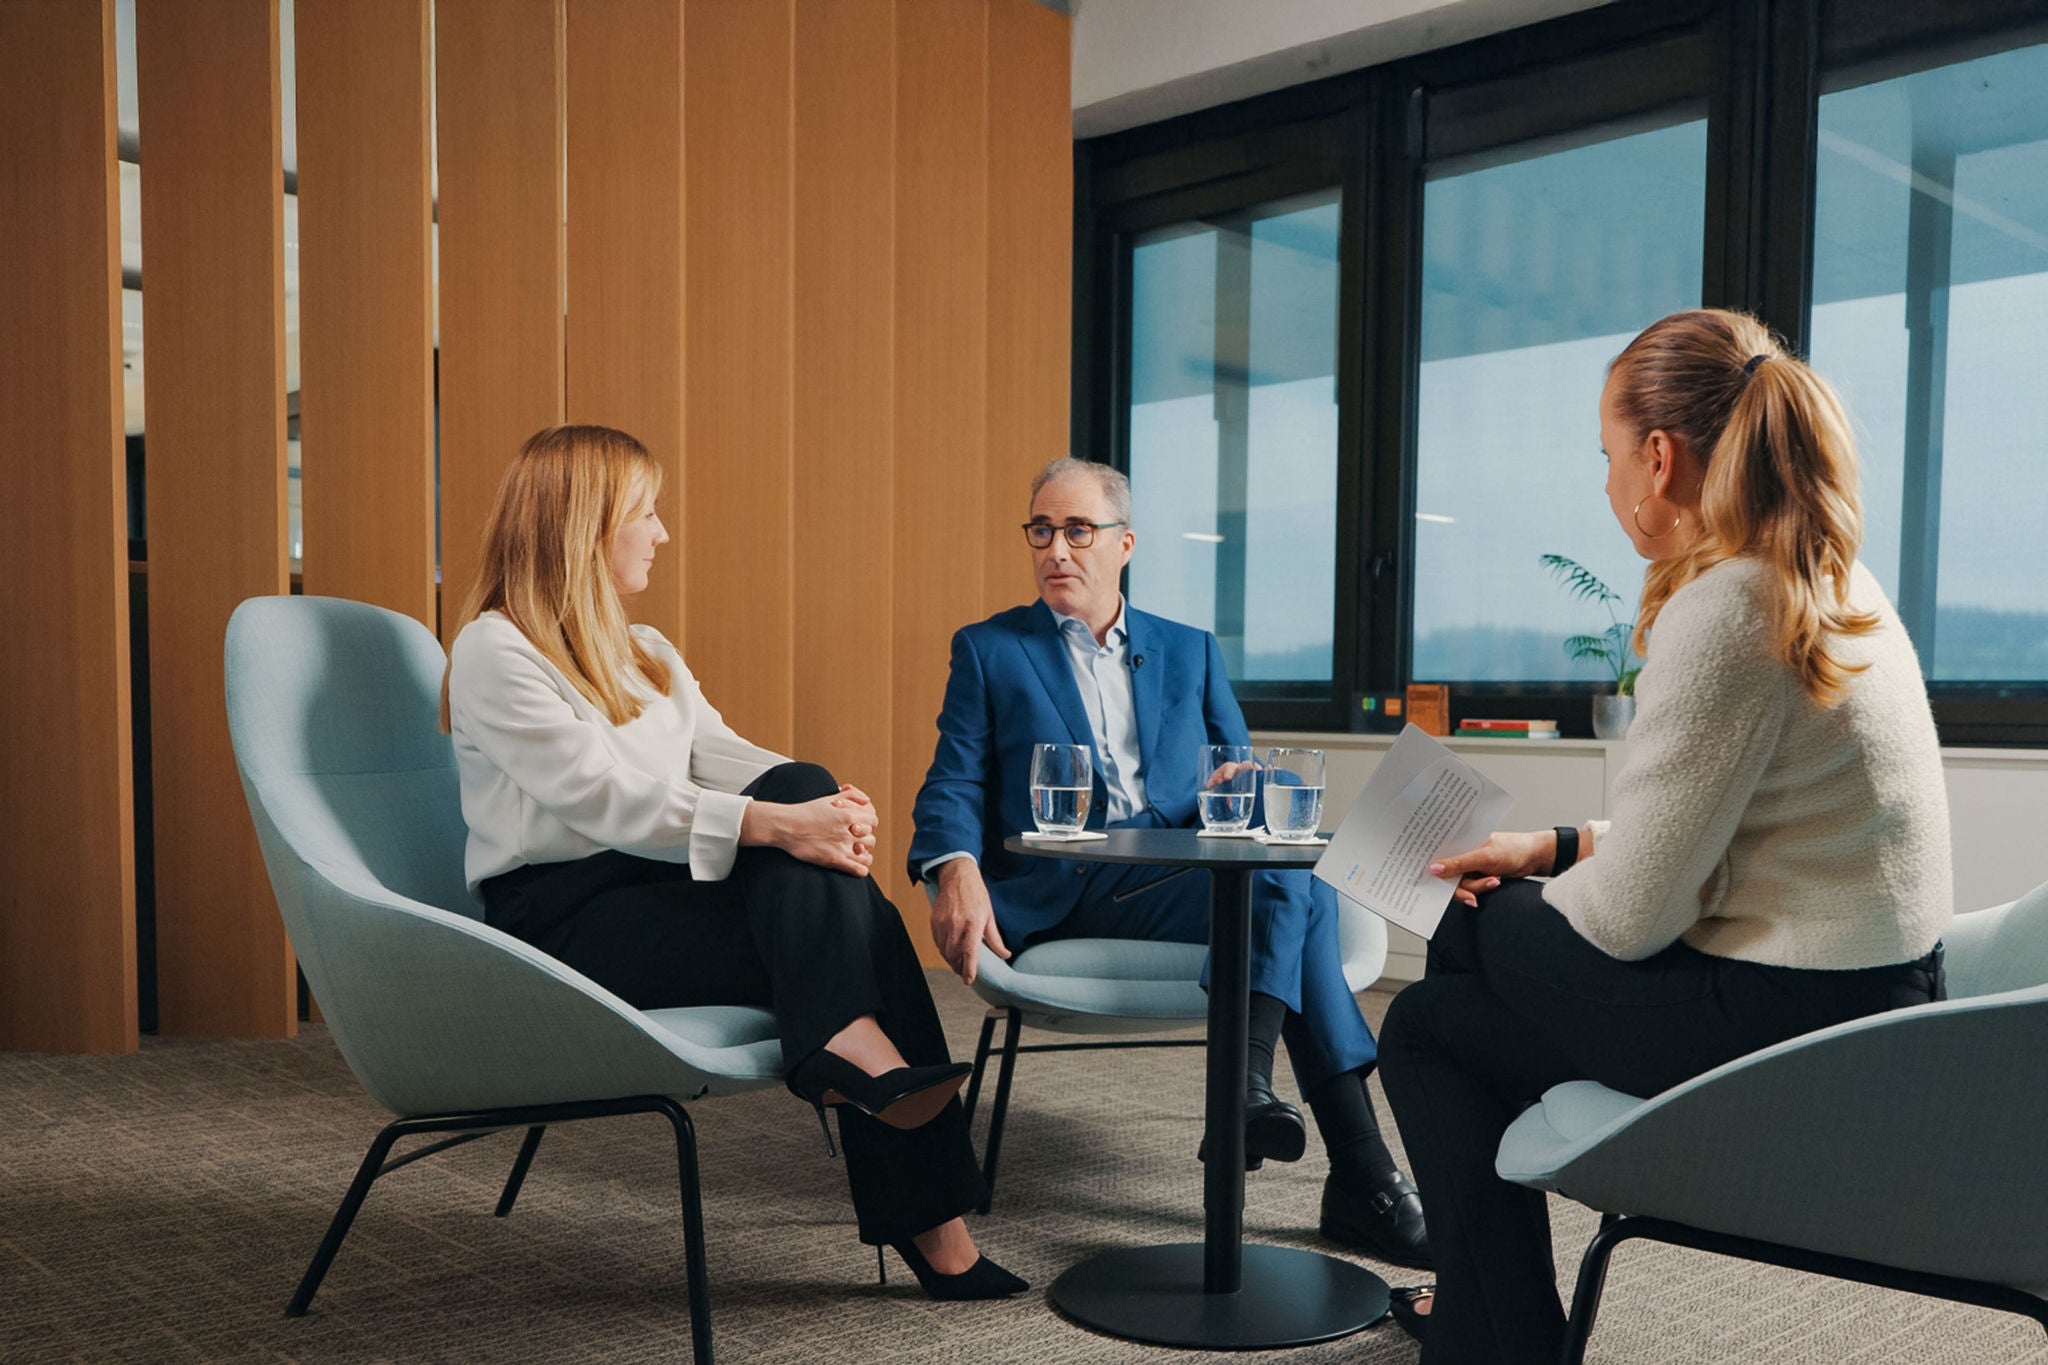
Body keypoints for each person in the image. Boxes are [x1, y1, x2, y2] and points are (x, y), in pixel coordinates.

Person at [1374, 308, 1952, 1360]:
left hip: (1789, 1030)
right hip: (1878, 1008)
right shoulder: (1827, 576)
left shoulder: (1730, 606)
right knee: (1432, 1022)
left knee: (1453, 960)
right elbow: (1711, 828)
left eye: (1603, 456)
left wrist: (1513, 896)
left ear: (1656, 457)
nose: (1603, 485)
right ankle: (1482, 1326)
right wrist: (1545, 847)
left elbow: (1633, 919)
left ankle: (1494, 1333)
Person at [442, 424, 1025, 1301]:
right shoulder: (495, 650)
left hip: (659, 887)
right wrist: (783, 827)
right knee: (842, 902)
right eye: (646, 512)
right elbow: (603, 797)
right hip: (562, 920)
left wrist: (825, 807)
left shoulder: (645, 650)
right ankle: (932, 1224)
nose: (662, 533)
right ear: (586, 528)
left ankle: (844, 1051)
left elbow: (726, 757)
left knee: (804, 792)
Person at [908, 457, 1431, 1269]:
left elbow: (1247, 771)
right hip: (1072, 885)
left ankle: (1261, 1106)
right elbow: (953, 777)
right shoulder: (990, 649)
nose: (1057, 550)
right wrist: (953, 866)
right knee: (1304, 895)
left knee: (1292, 879)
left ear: (1125, 544)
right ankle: (1352, 1168)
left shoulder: (1188, 649)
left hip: (1175, 876)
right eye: (1041, 530)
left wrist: (1248, 779)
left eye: (1078, 530)